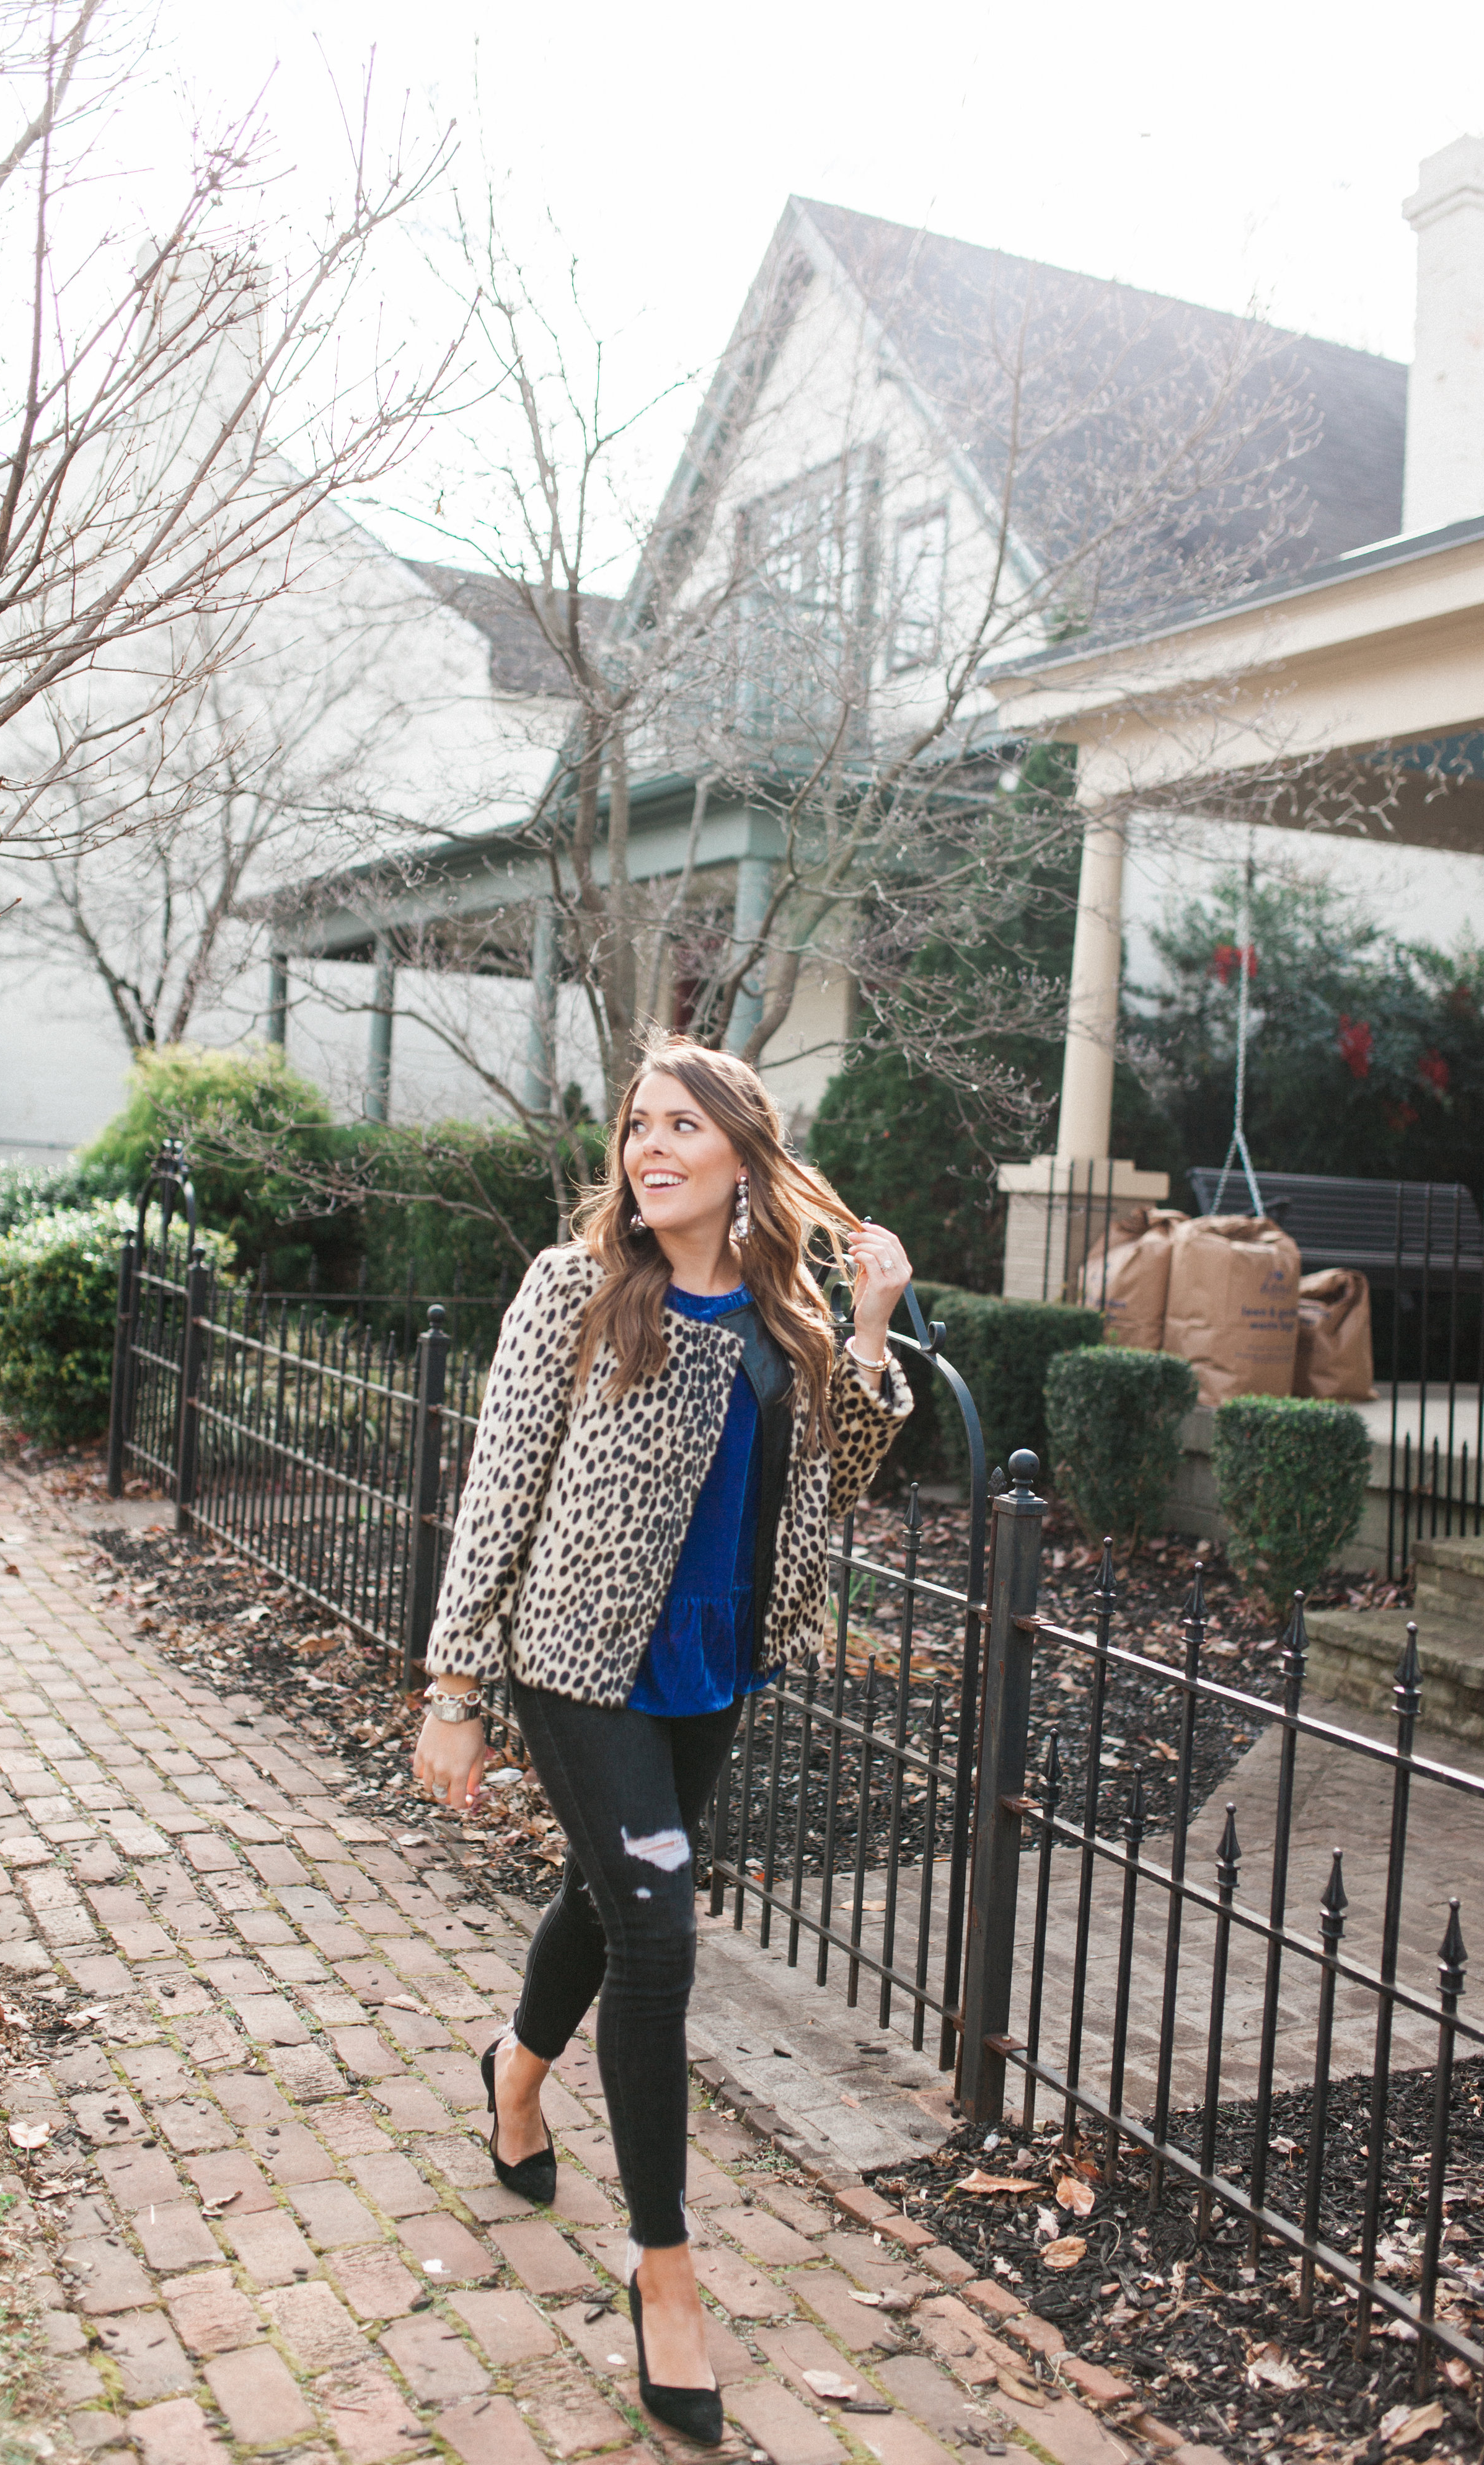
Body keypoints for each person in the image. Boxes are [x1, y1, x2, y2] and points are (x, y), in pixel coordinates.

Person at [412, 1037, 912, 2444]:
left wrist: (868, 1327)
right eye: (638, 1124)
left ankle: (514, 2069)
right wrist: (452, 1690)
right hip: (578, 1665)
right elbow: (500, 1483)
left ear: (743, 1156)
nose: (650, 1145)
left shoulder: (786, 1312)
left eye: (682, 1125)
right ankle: (666, 2271)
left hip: (712, 1666)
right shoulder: (574, 1290)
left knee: (604, 1892)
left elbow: (842, 1474)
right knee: (658, 1936)